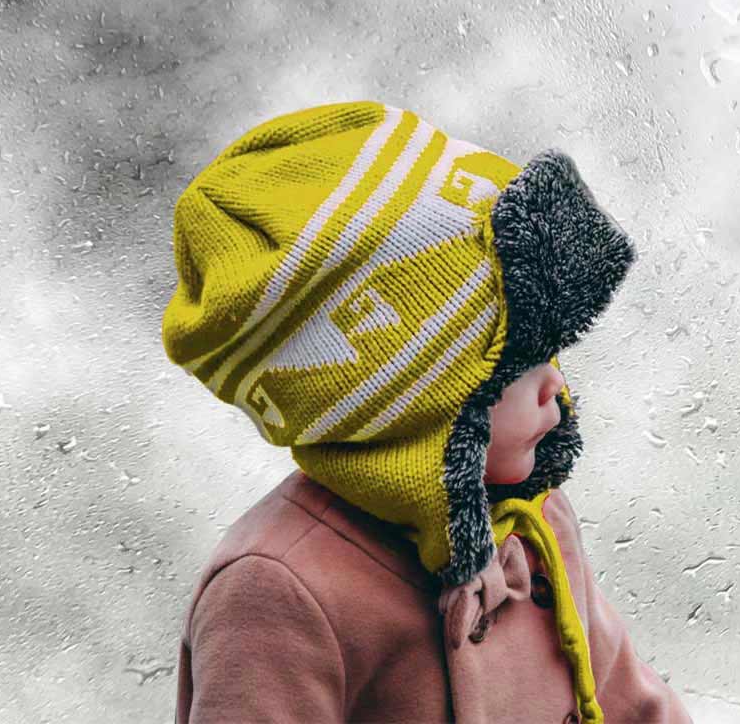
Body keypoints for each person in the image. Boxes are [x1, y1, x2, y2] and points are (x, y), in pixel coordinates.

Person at [164, 99, 694, 723]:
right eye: (515, 359)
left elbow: (630, 702)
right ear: (409, 405)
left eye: (551, 348)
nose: (555, 381)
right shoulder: (275, 591)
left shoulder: (532, 518)